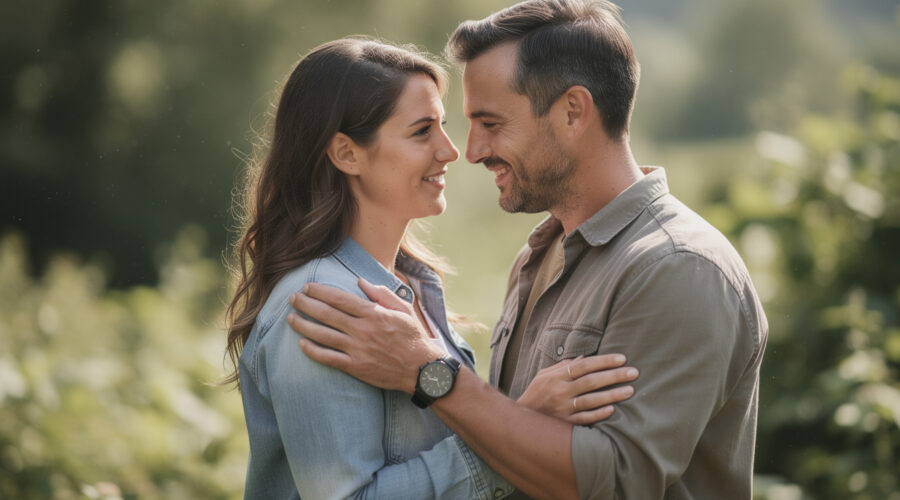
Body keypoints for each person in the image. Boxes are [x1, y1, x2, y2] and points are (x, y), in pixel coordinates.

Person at [287, 1, 769, 499]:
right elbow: (509, 446)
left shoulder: (677, 268)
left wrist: (431, 374)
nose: (470, 150)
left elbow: (616, 484)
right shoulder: (540, 253)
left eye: (491, 124)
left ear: (573, 112)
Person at [224, 37, 639, 499]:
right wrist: (516, 429)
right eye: (422, 131)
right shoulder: (322, 303)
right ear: (347, 154)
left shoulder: (413, 285)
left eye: (442, 126)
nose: (450, 151)